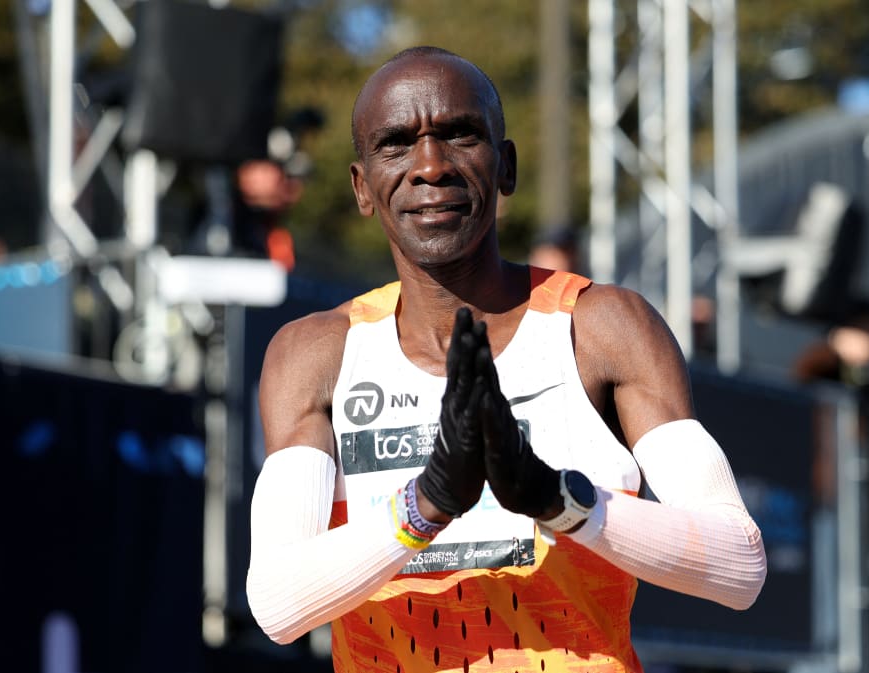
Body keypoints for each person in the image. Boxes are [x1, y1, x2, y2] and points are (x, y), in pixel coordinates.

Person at [246, 46, 766, 673]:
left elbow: (740, 567)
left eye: (460, 135)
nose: (431, 166)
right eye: (397, 144)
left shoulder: (601, 327)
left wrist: (557, 499)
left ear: (506, 166)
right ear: (362, 187)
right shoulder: (316, 353)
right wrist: (429, 501)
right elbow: (277, 606)